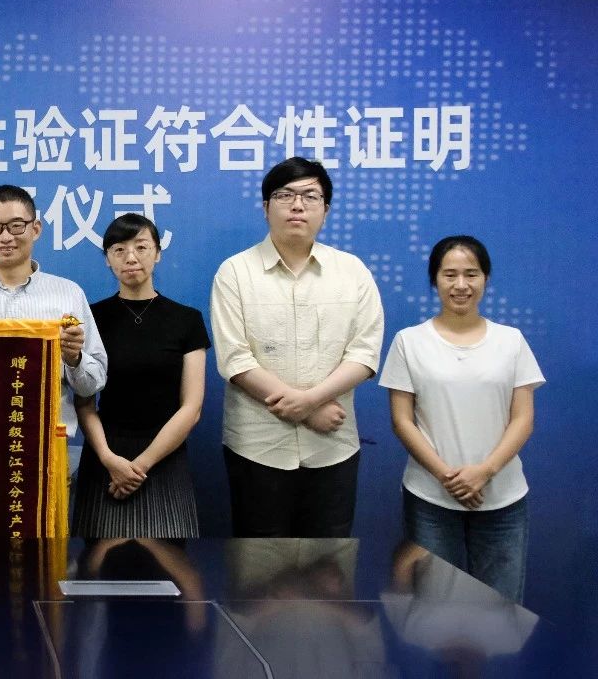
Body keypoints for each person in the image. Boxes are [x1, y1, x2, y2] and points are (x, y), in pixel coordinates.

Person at [210, 157, 384, 538]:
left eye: (310, 196)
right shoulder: (235, 272)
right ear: (266, 207)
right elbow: (235, 359)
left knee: (329, 564)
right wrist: (308, 410)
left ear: (326, 209)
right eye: (285, 195)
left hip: (333, 447)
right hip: (257, 447)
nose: (297, 205)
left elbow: (365, 352)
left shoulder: (352, 272)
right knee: (260, 563)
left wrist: (310, 401)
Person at [378, 235, 543, 602]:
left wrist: (484, 471)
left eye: (471, 274)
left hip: (503, 498)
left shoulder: (511, 341)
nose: (461, 285)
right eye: (449, 274)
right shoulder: (409, 341)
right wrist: (446, 476)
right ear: (434, 279)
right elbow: (402, 421)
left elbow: (523, 419)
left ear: (486, 278)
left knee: (500, 612)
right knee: (434, 609)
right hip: (431, 498)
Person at [0, 184, 106, 443]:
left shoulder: (69, 293)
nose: (5, 237)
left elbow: (94, 383)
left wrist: (74, 359)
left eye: (16, 226)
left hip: (47, 444)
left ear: (35, 229)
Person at [72, 213, 208, 538]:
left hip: (165, 453)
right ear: (107, 259)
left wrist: (141, 465)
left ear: (157, 253)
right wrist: (110, 459)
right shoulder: (91, 318)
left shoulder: (187, 320)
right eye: (119, 250)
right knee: (97, 561)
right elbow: (84, 402)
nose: (131, 257)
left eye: (141, 247)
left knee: (170, 560)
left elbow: (192, 407)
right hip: (105, 456)